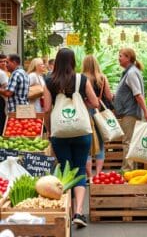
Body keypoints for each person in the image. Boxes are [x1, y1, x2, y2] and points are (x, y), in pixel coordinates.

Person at [43, 48, 99, 228]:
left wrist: (50, 130)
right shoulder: (82, 79)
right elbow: (96, 103)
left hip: (60, 133)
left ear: (57, 62)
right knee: (80, 169)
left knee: (65, 170)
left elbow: (46, 109)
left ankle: (66, 210)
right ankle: (79, 212)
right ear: (73, 61)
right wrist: (82, 101)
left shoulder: (49, 80)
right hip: (81, 131)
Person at [114, 47, 147, 170]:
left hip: (131, 113)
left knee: (127, 142)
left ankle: (127, 169)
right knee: (131, 142)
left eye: (120, 56)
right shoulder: (131, 72)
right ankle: (131, 169)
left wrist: (146, 112)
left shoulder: (131, 73)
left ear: (128, 58)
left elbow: (138, 94)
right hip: (129, 112)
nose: (118, 58)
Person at [82, 54, 113, 177]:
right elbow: (109, 96)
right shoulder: (103, 78)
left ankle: (89, 175)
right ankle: (99, 174)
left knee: (87, 144)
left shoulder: (82, 78)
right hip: (99, 112)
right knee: (100, 143)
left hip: (85, 113)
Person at [0, 54, 8, 134]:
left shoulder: (5, 72)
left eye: (5, 61)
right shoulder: (2, 73)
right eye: (1, 62)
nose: (3, 63)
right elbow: (6, 89)